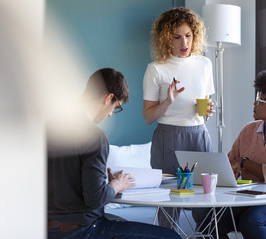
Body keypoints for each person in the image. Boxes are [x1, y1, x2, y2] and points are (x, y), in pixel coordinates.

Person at [47, 68, 181, 239]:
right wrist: (118, 185)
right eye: (116, 107)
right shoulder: (94, 136)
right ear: (108, 98)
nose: (110, 114)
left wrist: (104, 183)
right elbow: (95, 200)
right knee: (171, 237)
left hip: (48, 229)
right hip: (82, 230)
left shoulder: (50, 126)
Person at [193, 69, 266, 239]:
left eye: (261, 100)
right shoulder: (249, 130)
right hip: (253, 197)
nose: (255, 103)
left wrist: (243, 163)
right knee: (208, 218)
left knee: (252, 221)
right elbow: (228, 161)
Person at [143, 7, 216, 228]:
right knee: (169, 205)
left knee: (206, 202)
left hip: (199, 136)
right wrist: (168, 102)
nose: (184, 43)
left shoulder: (204, 64)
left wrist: (207, 112)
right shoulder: (156, 69)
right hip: (168, 137)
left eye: (188, 35)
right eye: (176, 37)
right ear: (166, 39)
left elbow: (204, 111)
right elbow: (147, 117)